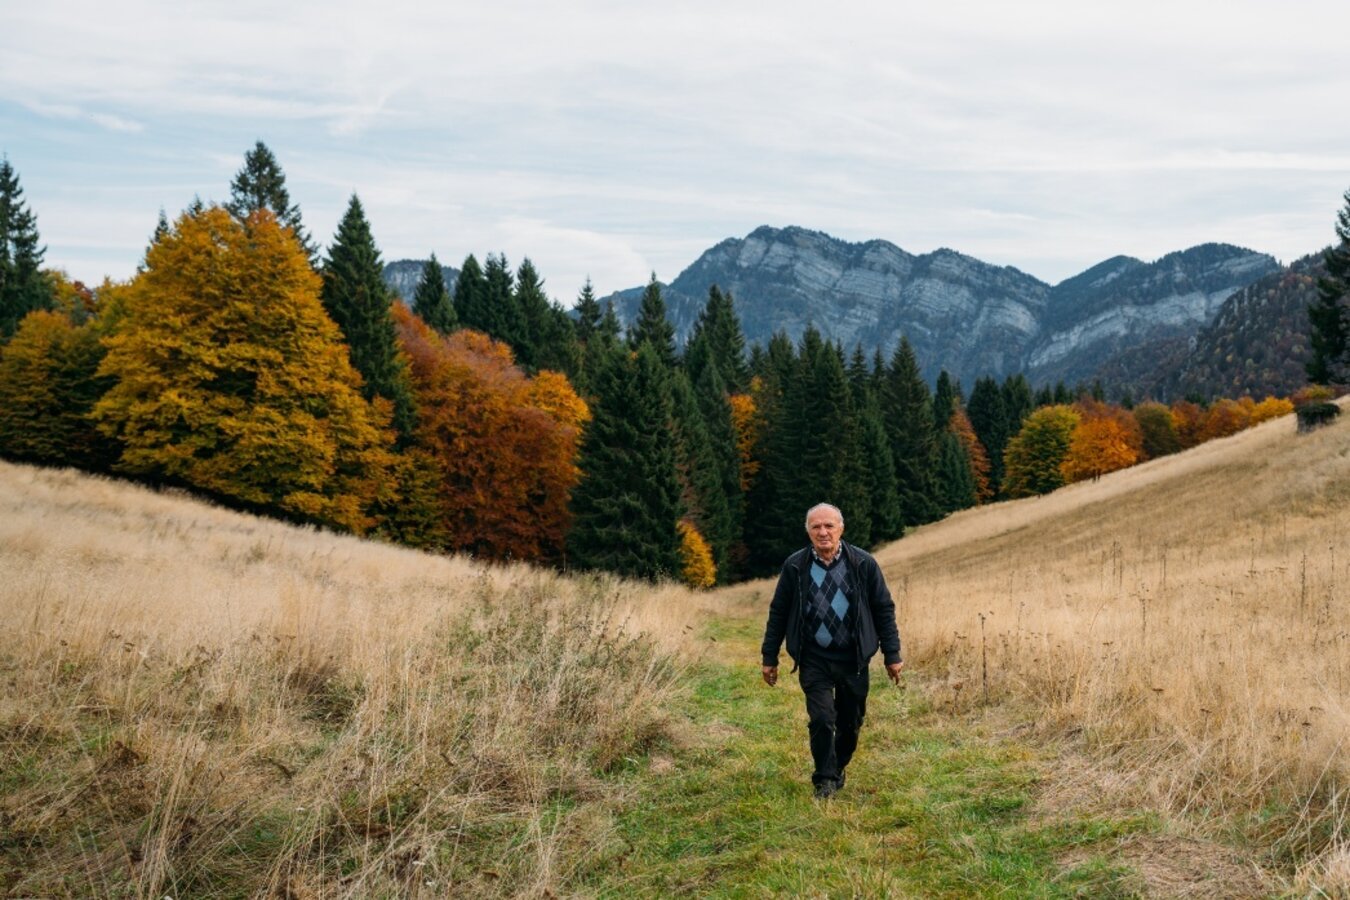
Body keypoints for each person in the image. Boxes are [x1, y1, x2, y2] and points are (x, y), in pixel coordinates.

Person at [760, 502, 903, 798]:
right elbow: (779, 611)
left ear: (841, 529)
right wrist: (769, 657)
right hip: (815, 658)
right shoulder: (795, 566)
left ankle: (837, 767)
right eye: (816, 527)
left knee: (850, 723)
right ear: (808, 532)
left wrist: (892, 654)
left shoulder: (863, 564)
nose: (823, 532)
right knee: (823, 718)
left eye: (829, 526)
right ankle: (824, 779)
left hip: (854, 658)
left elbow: (883, 609)